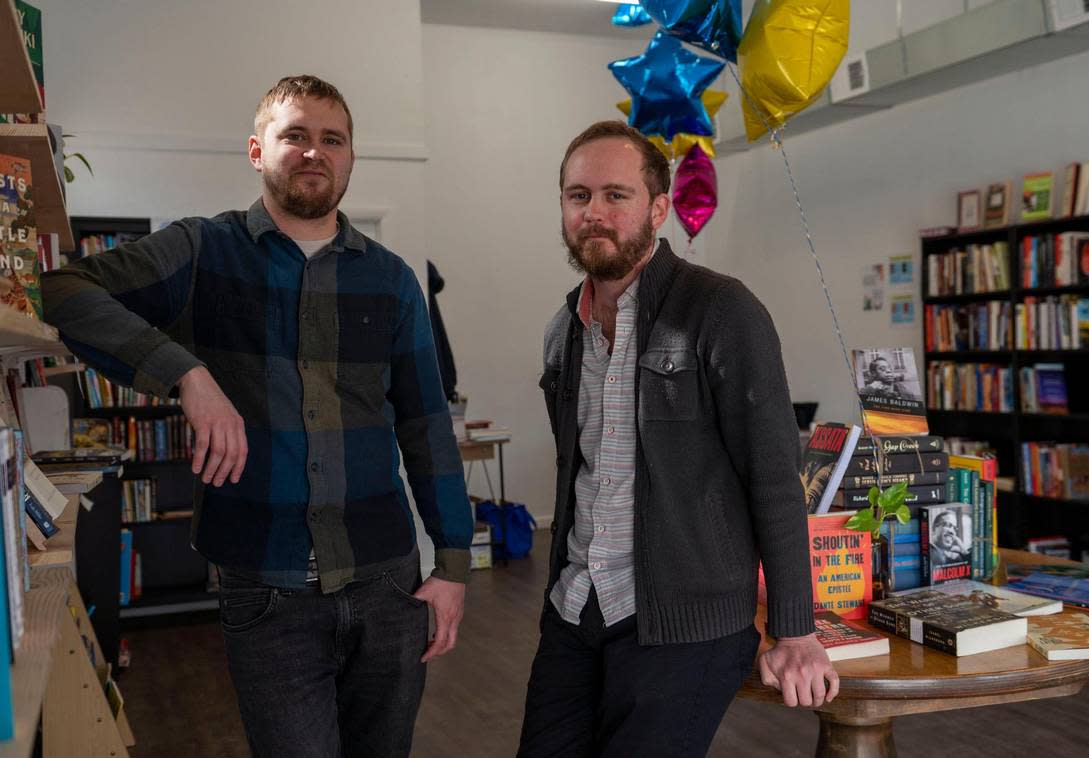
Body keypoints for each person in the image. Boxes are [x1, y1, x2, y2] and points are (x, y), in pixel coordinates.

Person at [41, 75, 472, 758]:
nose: (314, 152)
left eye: (332, 139)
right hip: (264, 591)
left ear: (351, 157)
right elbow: (62, 290)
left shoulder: (391, 279)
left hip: (388, 581)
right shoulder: (203, 250)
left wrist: (451, 563)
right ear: (256, 149)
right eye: (294, 135)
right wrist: (186, 372)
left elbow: (425, 424)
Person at [520, 121, 838, 758]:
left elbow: (775, 476)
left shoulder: (721, 310)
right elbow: (576, 472)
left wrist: (795, 629)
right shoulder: (565, 329)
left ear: (658, 208)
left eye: (616, 195)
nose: (594, 213)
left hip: (684, 626)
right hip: (576, 609)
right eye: (577, 196)